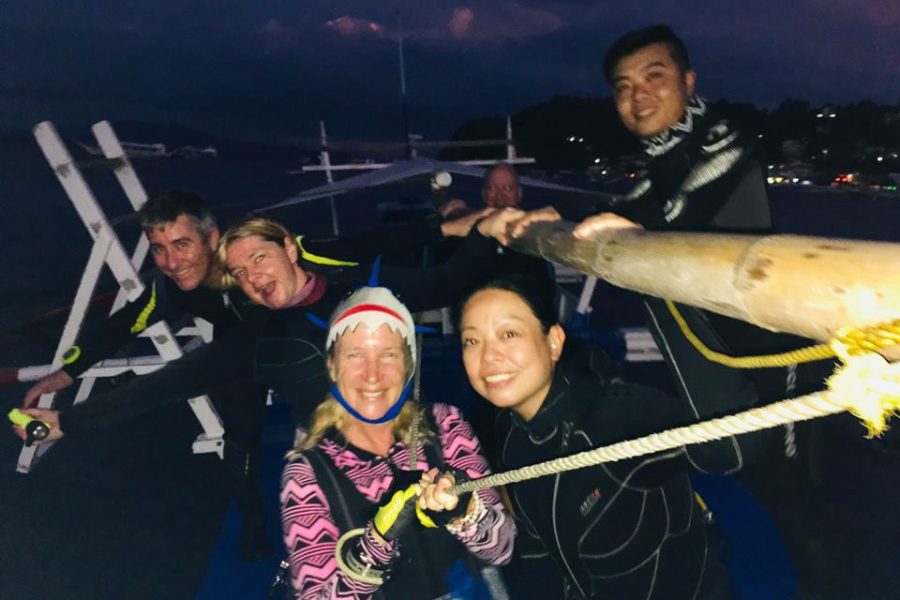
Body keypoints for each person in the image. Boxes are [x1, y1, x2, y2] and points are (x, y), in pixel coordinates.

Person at [15, 191, 492, 561]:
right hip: (245, 357)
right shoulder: (182, 291)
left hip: (316, 365)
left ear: (212, 238)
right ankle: (254, 522)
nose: (172, 261)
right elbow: (138, 341)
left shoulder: (291, 259)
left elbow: (367, 245)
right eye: (158, 249)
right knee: (240, 440)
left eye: (181, 244)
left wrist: (450, 227)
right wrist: (67, 381)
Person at [457, 274, 751, 599]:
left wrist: (663, 291)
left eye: (508, 333)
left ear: (553, 342)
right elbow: (541, 558)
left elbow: (730, 448)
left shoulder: (613, 415)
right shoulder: (513, 433)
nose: (488, 356)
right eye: (471, 341)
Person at [280, 284, 514, 598]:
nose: (372, 375)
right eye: (355, 355)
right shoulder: (306, 473)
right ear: (332, 366)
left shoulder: (446, 424)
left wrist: (465, 512)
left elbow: (503, 549)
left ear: (408, 365)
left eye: (388, 355)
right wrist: (376, 541)